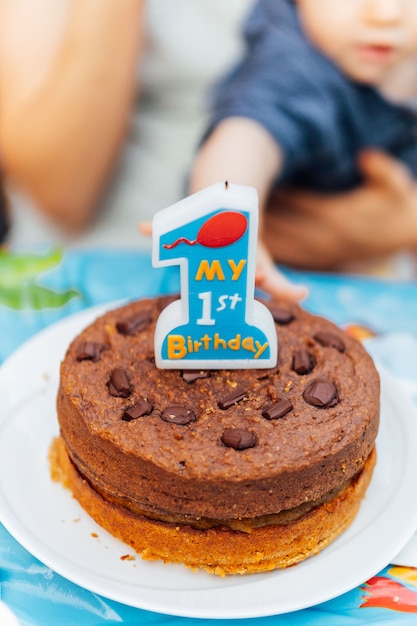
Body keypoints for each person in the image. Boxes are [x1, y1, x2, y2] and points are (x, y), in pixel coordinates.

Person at [189, 0, 417, 290]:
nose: (386, 14)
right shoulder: (292, 63)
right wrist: (222, 220)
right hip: (257, 280)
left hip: (367, 284)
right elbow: (247, 138)